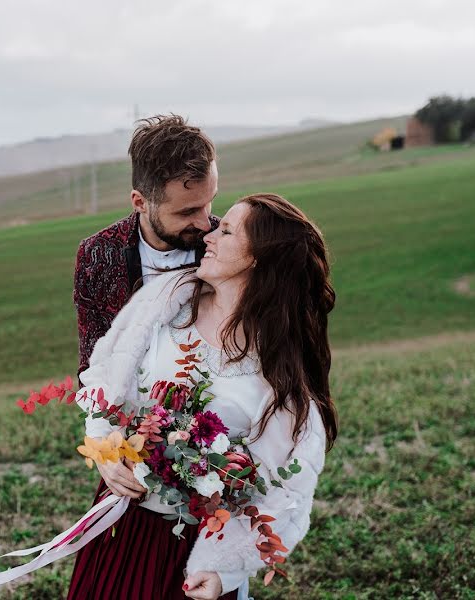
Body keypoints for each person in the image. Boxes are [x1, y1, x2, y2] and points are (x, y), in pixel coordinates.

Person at [66, 193, 339, 600]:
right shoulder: (164, 303)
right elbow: (106, 377)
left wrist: (225, 572)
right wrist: (105, 450)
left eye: (227, 230)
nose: (210, 234)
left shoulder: (277, 372)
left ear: (257, 258)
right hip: (123, 526)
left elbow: (283, 493)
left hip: (199, 555)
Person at [74, 114, 220, 378]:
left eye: (208, 203)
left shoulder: (231, 244)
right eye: (187, 212)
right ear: (140, 202)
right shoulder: (96, 255)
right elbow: (92, 368)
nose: (205, 223)